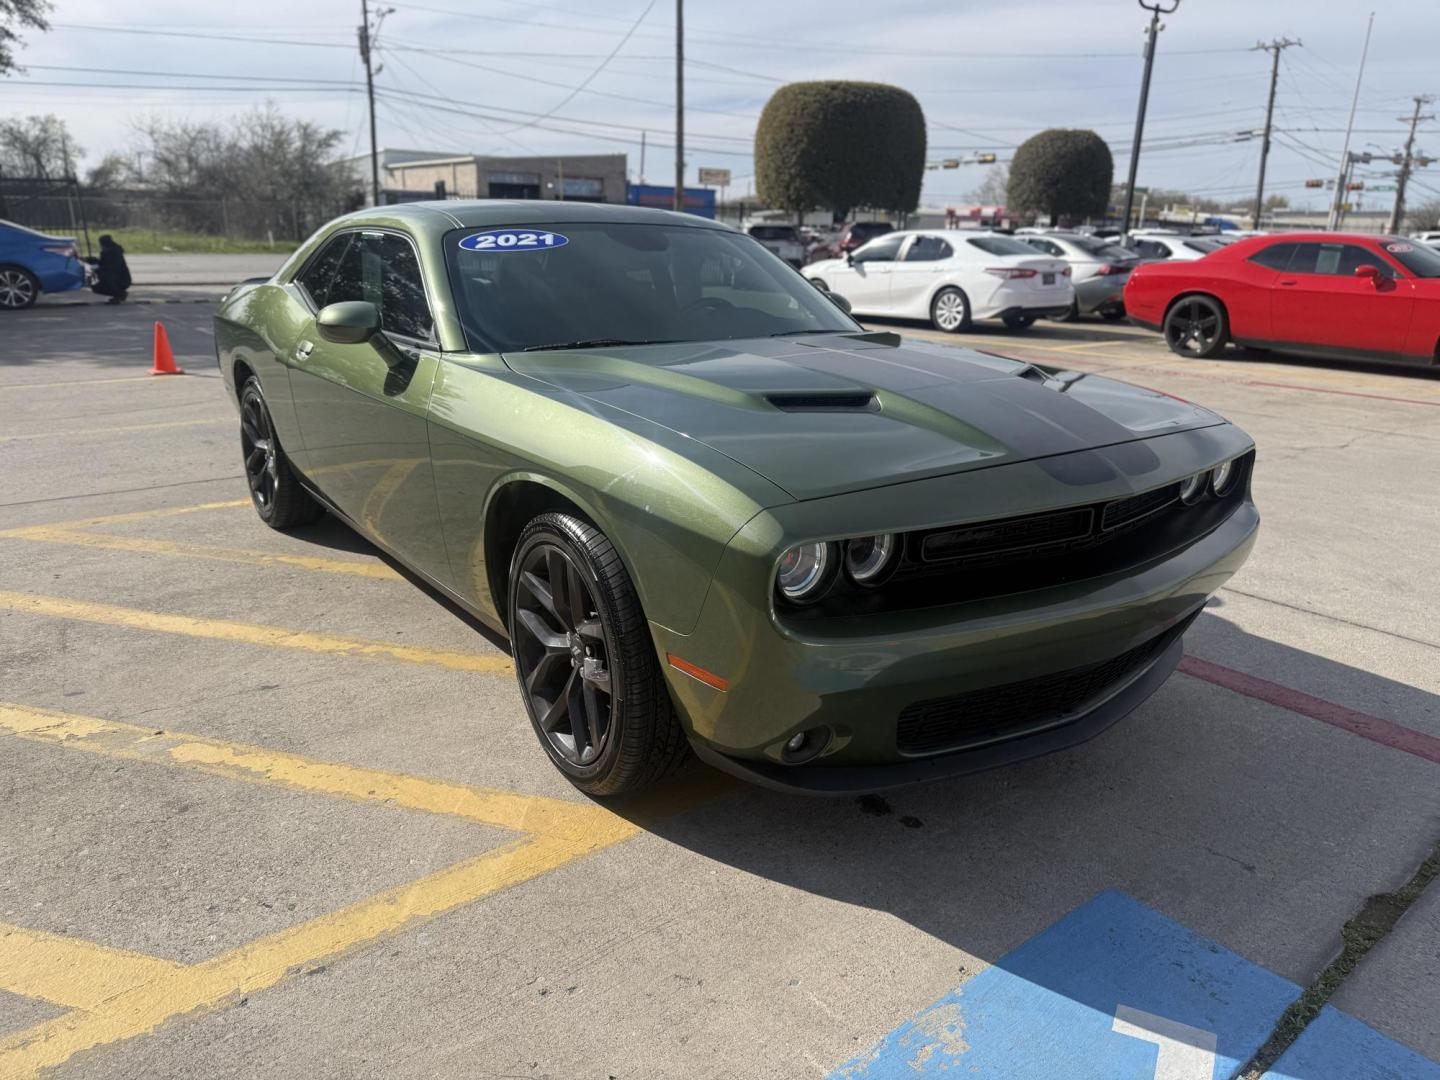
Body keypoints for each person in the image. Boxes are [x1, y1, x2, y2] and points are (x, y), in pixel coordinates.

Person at [86, 234, 132, 304]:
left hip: (121, 280)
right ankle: (119, 294)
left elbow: (110, 268)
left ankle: (118, 294)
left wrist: (98, 269)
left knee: (101, 280)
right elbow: (103, 263)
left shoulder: (113, 253)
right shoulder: (109, 251)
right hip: (117, 278)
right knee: (95, 283)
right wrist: (90, 260)